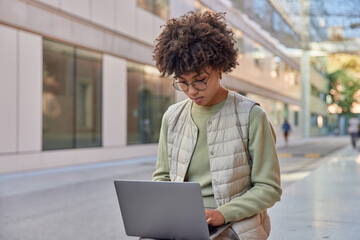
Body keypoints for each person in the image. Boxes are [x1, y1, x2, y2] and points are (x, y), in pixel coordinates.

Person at [151, 11, 282, 239]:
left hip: (236, 224)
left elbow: (269, 188)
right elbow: (162, 178)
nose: (191, 91)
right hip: (182, 223)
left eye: (200, 80)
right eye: (182, 82)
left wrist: (222, 214)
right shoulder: (171, 117)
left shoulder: (252, 116)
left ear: (220, 68)